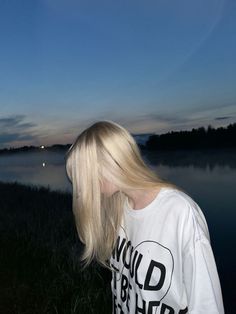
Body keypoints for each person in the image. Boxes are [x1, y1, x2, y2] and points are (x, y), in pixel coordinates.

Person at [65, 120, 225, 313]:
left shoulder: (180, 213)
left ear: (109, 164)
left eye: (84, 175)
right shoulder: (119, 208)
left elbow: (206, 305)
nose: (81, 186)